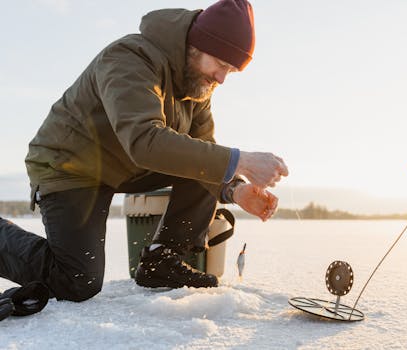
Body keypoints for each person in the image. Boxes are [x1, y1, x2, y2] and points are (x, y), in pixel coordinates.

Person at [0, 0, 288, 304]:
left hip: (124, 164)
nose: (221, 78)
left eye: (230, 71)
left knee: (207, 161)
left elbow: (207, 151)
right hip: (69, 166)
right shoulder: (129, 57)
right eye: (221, 64)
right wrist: (240, 160)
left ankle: (160, 261)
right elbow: (142, 140)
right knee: (77, 282)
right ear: (197, 45)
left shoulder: (197, 87)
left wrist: (236, 191)